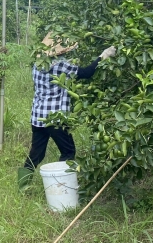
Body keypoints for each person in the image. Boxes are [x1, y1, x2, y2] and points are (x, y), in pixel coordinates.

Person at [18, 34, 116, 190]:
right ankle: (62, 186)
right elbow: (87, 73)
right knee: (68, 152)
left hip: (38, 117)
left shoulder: (37, 65)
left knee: (36, 153)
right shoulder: (61, 65)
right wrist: (103, 55)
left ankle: (22, 186)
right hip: (56, 118)